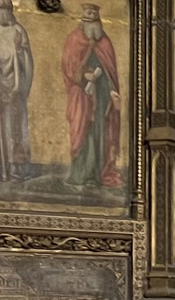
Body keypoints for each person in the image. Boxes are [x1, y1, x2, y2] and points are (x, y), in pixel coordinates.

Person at [63, 3, 122, 188]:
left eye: (95, 14)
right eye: (89, 13)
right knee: (82, 132)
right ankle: (81, 175)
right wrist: (83, 75)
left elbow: (110, 71)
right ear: (83, 17)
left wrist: (112, 90)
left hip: (101, 97)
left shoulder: (105, 43)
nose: (92, 16)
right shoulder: (74, 39)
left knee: (100, 134)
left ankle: (98, 174)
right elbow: (68, 66)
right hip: (81, 95)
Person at [0, 0, 32, 182]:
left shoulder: (18, 31)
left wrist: (19, 51)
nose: (6, 15)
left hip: (14, 89)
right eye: (2, 11)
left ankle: (15, 169)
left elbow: (27, 64)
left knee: (13, 128)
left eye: (8, 10)